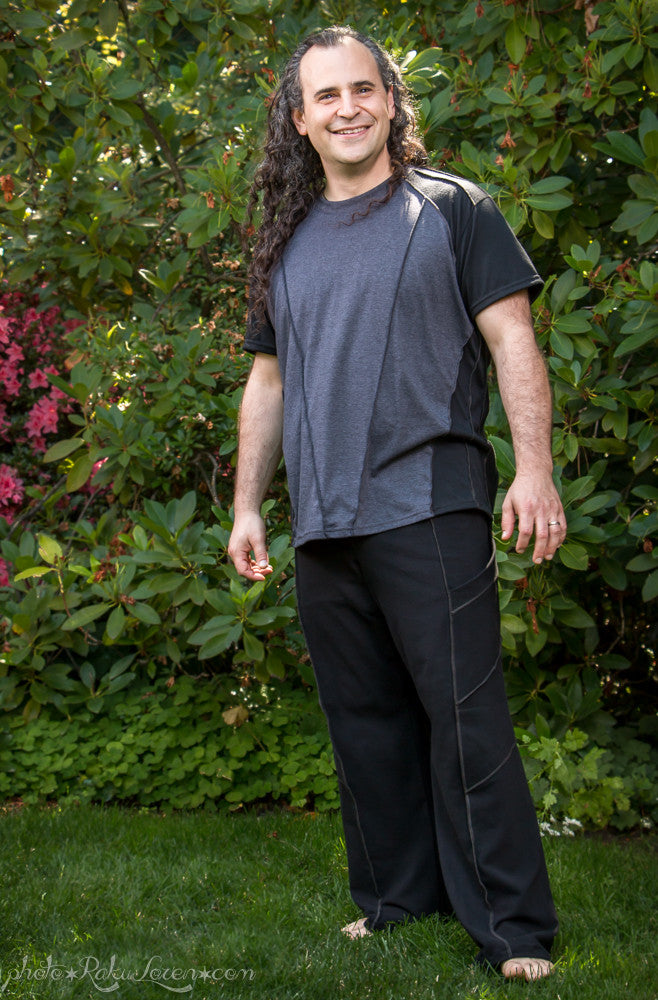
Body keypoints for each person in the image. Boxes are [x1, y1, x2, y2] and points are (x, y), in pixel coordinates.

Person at [228, 25, 566, 982]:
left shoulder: (452, 208)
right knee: (365, 722)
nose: (348, 108)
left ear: (390, 100)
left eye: (363, 89)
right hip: (323, 520)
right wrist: (248, 505)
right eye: (326, 96)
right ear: (300, 120)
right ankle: (395, 899)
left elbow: (512, 339)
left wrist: (534, 469)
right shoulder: (285, 242)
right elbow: (267, 382)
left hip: (430, 502)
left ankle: (514, 929)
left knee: (466, 721)